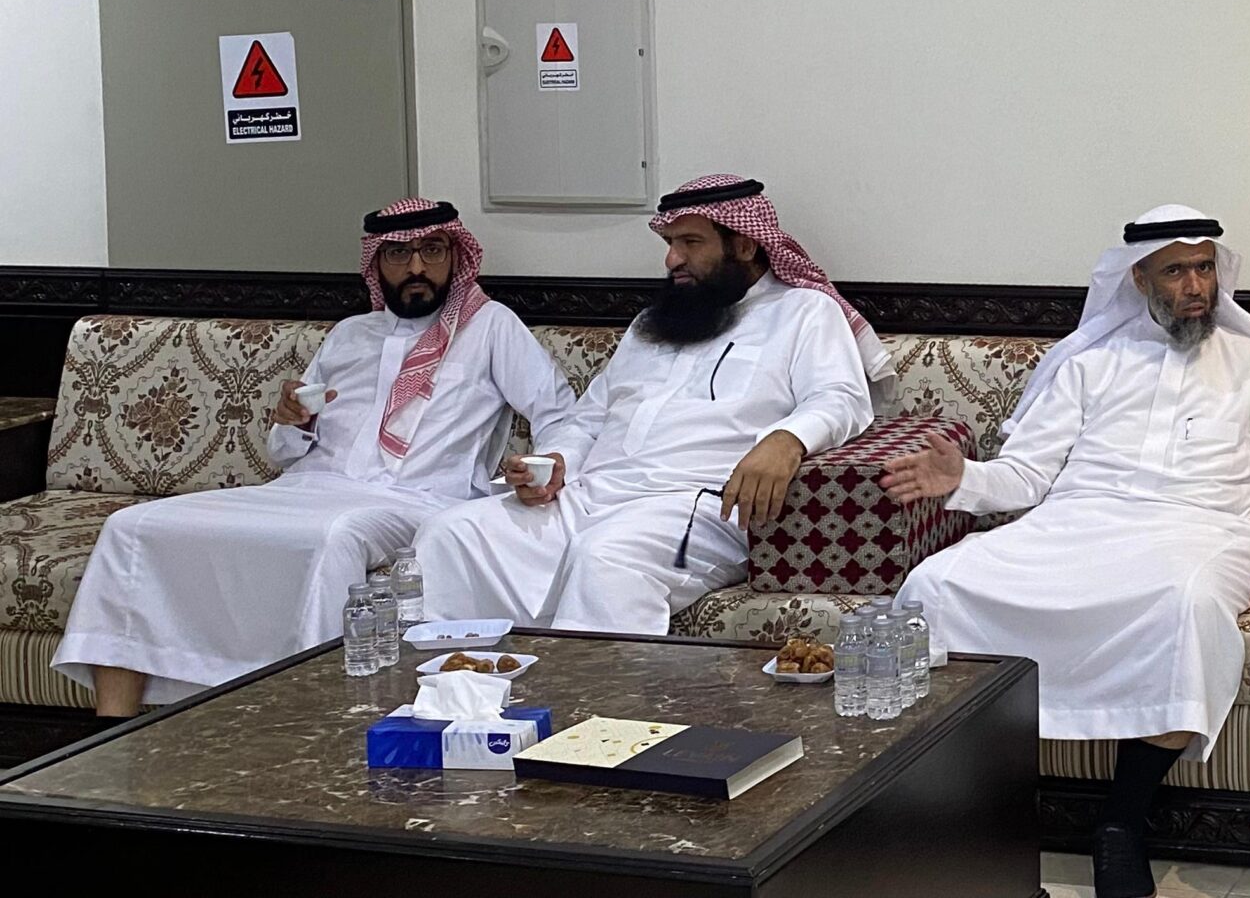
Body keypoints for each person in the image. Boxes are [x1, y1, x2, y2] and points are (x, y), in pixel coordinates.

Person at [884, 205, 1250, 898]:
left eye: (1205, 267)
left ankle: (1121, 823)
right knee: (936, 584)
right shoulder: (1090, 362)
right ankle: (960, 818)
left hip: (1203, 529)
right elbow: (1028, 475)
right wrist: (964, 480)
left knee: (1187, 607)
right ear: (1138, 279)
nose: (1195, 285)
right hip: (1077, 523)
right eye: (1176, 270)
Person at [54, 200, 574, 715]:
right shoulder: (350, 334)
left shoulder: (491, 327)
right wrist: (293, 420)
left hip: (416, 499)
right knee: (131, 526)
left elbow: (558, 410)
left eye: (432, 250)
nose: (417, 267)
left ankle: (318, 713)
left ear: (455, 256)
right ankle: (112, 732)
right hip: (305, 488)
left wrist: (547, 467)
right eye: (399, 253)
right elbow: (283, 453)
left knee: (334, 536)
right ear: (376, 263)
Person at [413, 175, 874, 634]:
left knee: (605, 557)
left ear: (745, 245)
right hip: (592, 494)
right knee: (450, 533)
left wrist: (786, 440)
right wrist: (557, 461)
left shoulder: (804, 312)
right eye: (670, 243)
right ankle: (468, 674)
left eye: (691, 242)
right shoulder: (651, 324)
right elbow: (588, 418)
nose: (673, 259)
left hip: (696, 506)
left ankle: (589, 684)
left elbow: (841, 396)